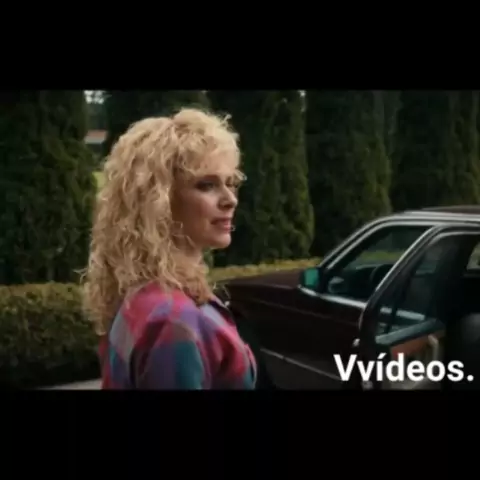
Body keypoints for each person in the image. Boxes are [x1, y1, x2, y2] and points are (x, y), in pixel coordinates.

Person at [82, 108, 258, 389]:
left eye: (230, 183)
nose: (230, 200)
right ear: (160, 201)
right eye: (206, 185)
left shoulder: (150, 293)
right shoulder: (172, 320)